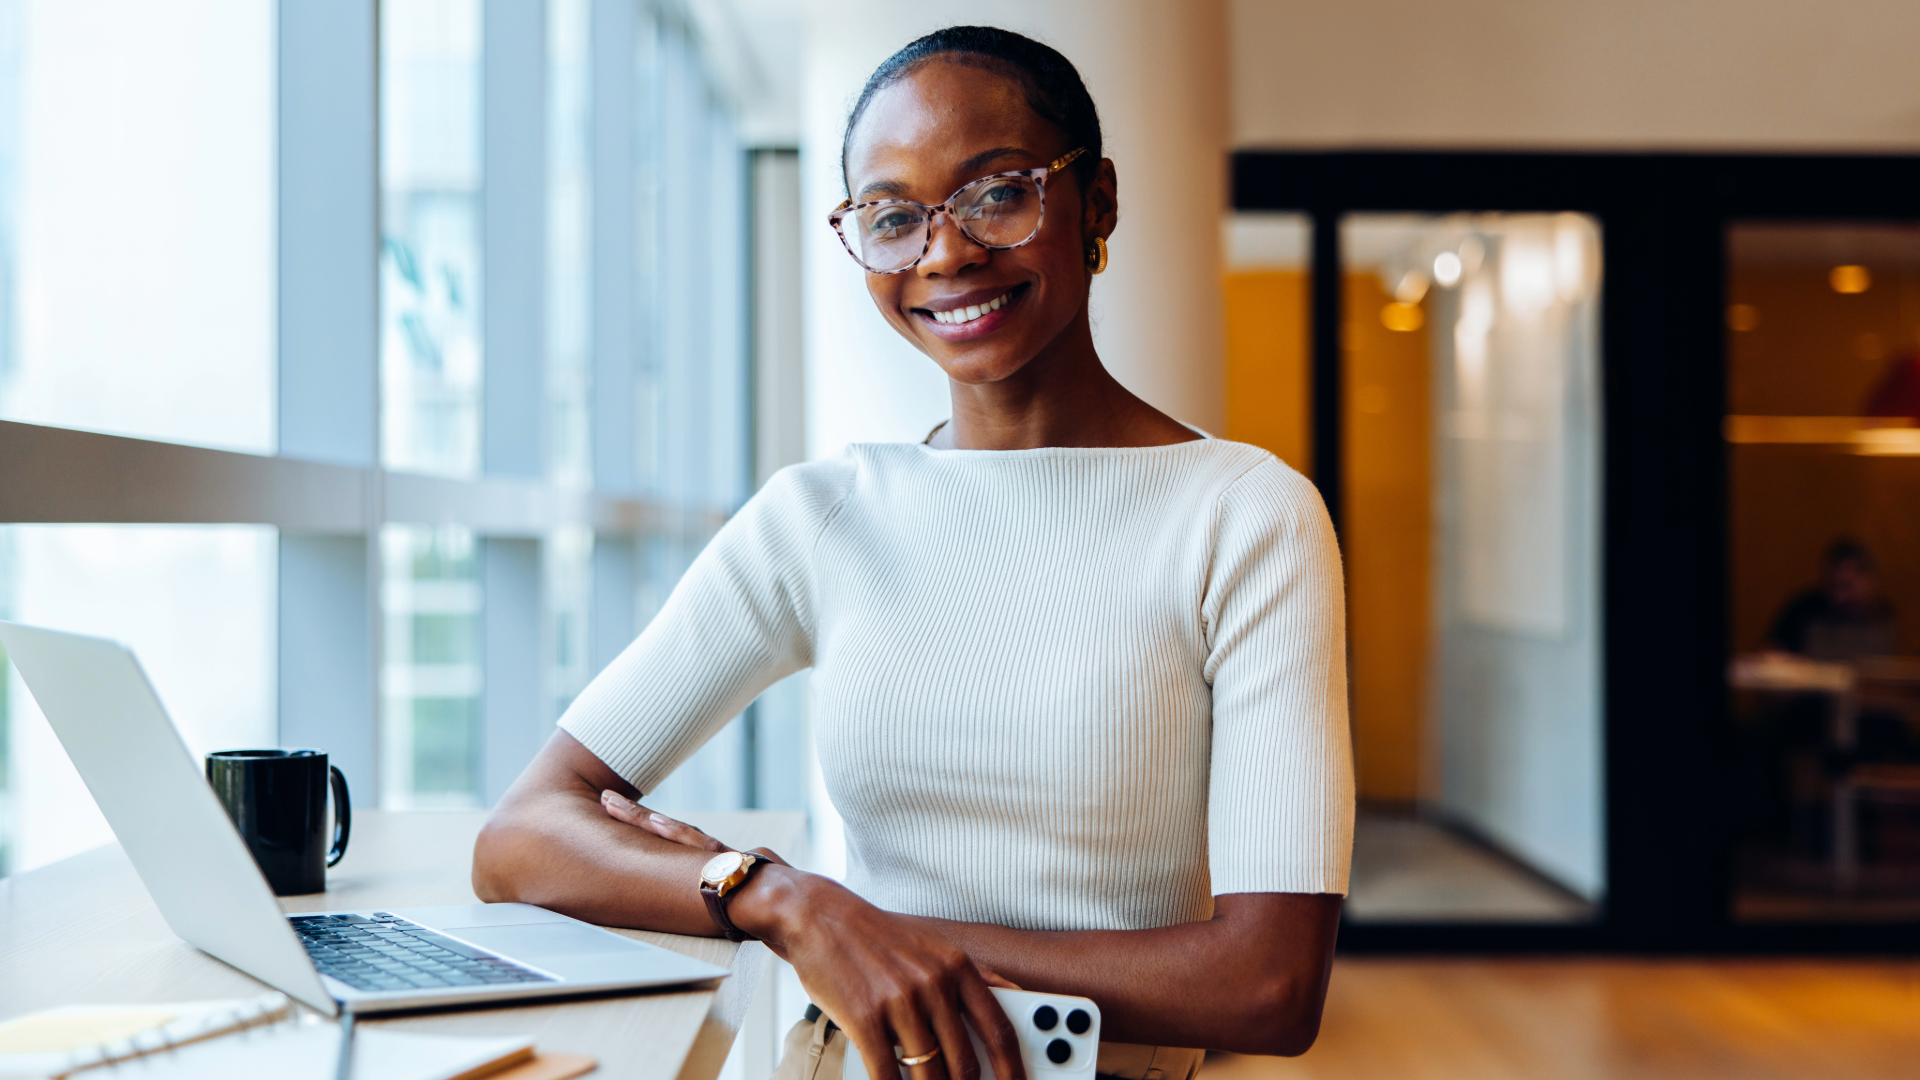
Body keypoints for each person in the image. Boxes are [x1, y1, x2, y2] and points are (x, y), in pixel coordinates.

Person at [472, 26, 1352, 1080]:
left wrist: (878, 942)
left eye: (996, 194)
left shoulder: (1246, 515)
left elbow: (1268, 986)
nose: (944, 253)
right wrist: (787, 902)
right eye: (893, 217)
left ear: (1098, 202)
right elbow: (521, 835)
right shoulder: (822, 516)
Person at [1768, 539, 1898, 661]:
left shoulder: (1884, 614)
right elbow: (1771, 654)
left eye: (1847, 586)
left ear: (1870, 581)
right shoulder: (1804, 609)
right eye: (1833, 586)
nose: (1840, 597)